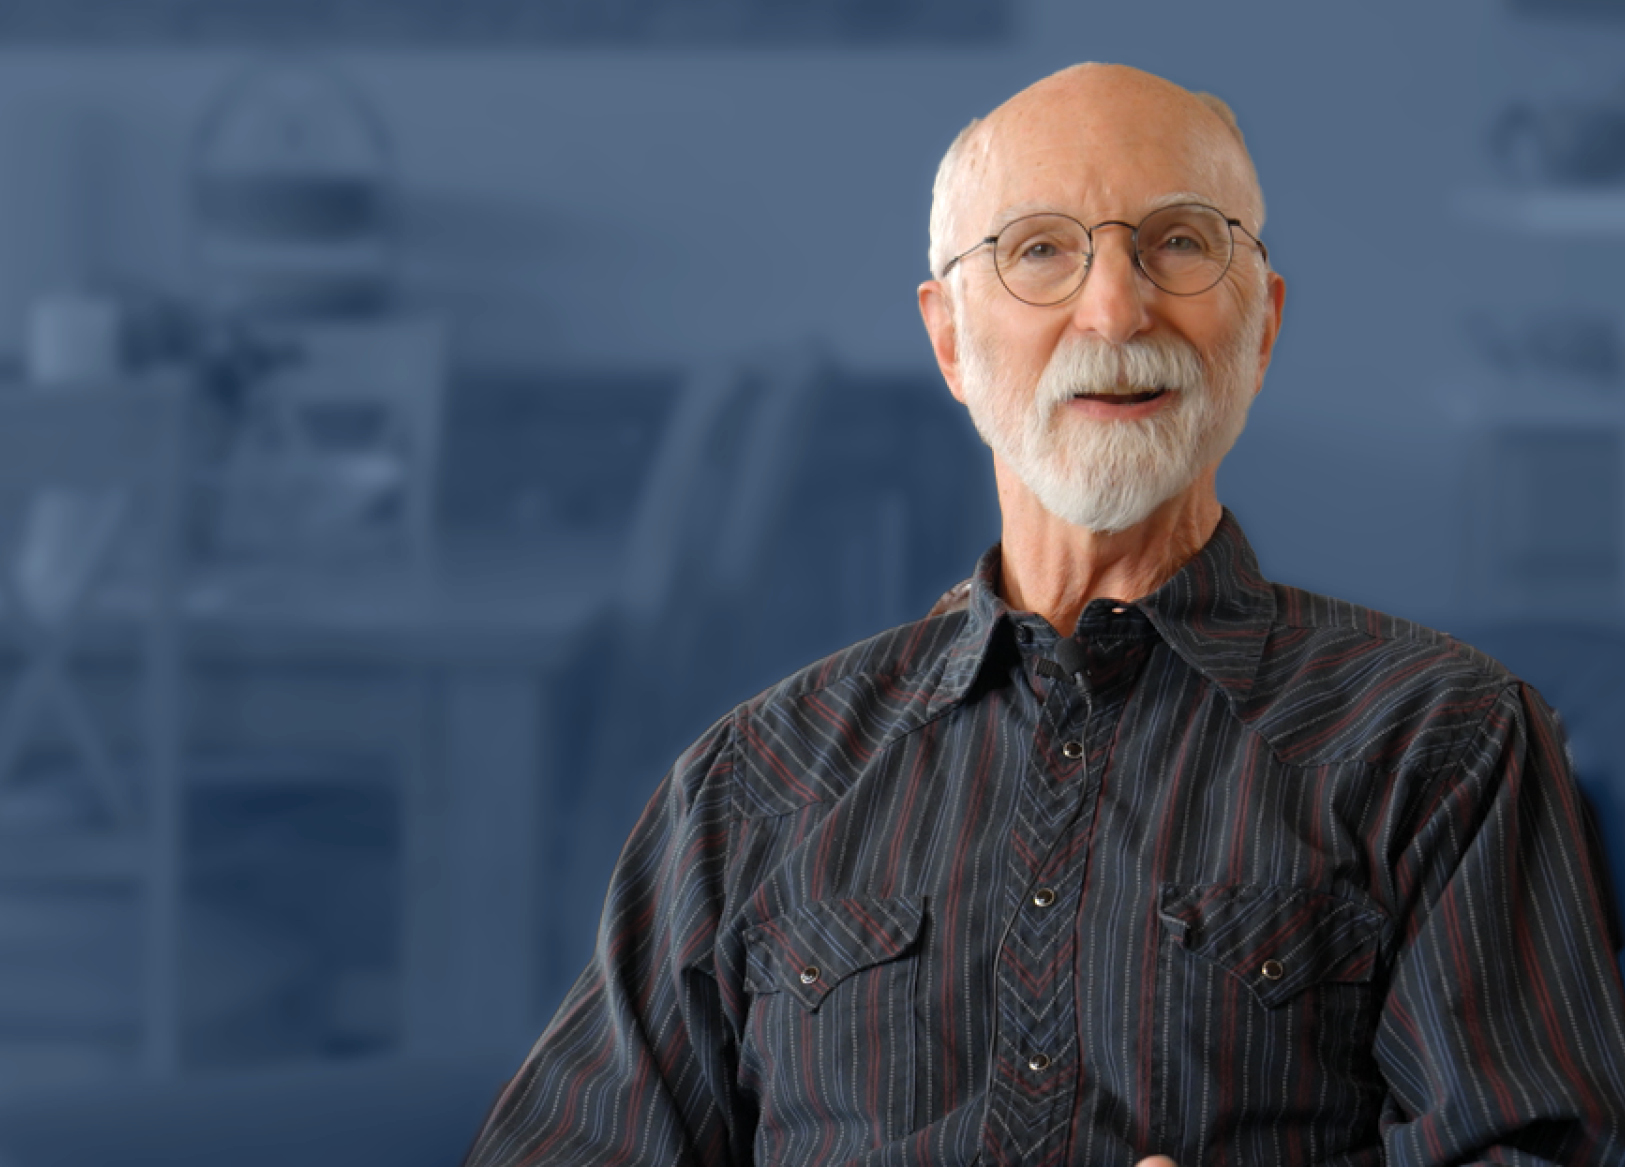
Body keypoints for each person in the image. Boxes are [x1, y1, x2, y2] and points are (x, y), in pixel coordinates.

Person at [461, 63, 1625, 1166]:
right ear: (948, 340)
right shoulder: (753, 779)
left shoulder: (1445, 743)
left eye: (1177, 242)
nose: (1114, 310)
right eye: (1037, 252)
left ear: (1261, 323)